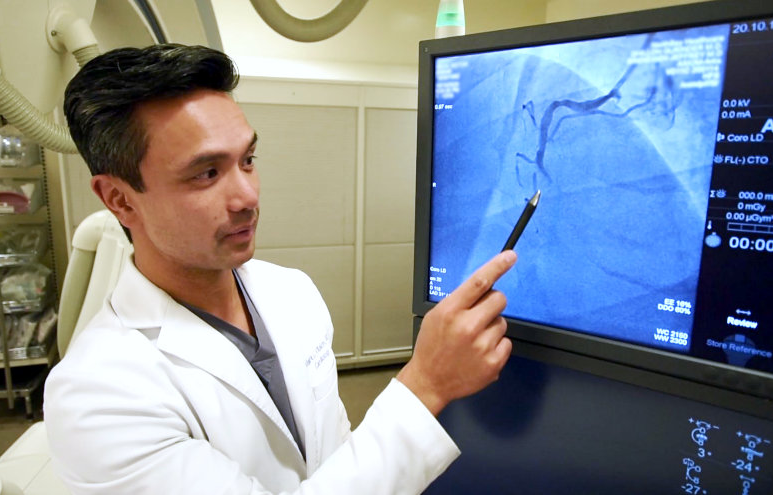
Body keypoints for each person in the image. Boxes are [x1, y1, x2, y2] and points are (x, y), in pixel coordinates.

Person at [43, 44, 516, 495]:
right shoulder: (96, 396)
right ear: (120, 199)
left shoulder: (292, 294)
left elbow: (335, 461)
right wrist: (426, 384)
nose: (247, 196)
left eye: (247, 160)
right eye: (206, 173)